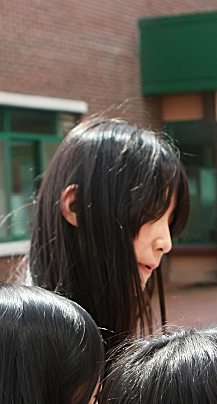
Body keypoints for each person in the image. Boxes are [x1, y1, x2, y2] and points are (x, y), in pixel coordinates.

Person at [25, 117, 190, 350]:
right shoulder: (28, 343)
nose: (166, 243)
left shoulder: (93, 337)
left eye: (169, 219)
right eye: (150, 213)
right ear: (77, 207)